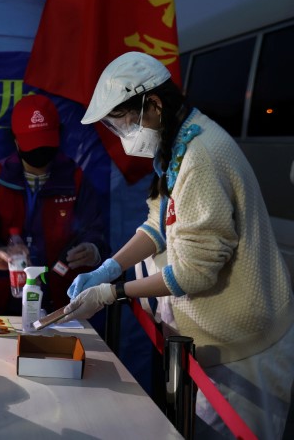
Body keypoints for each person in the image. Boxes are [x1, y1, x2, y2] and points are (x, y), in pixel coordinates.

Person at [62, 51, 294, 439]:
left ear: (153, 105)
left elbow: (194, 272)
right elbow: (159, 224)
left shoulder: (201, 156)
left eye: (124, 124)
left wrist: (113, 292)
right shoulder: (179, 146)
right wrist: (110, 267)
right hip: (207, 342)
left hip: (241, 350)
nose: (123, 137)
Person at [0, 93, 109, 314]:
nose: (40, 153)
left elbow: (95, 229)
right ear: (16, 142)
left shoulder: (74, 178)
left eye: (45, 143)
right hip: (4, 299)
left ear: (58, 137)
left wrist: (93, 249)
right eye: (32, 145)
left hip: (61, 301)